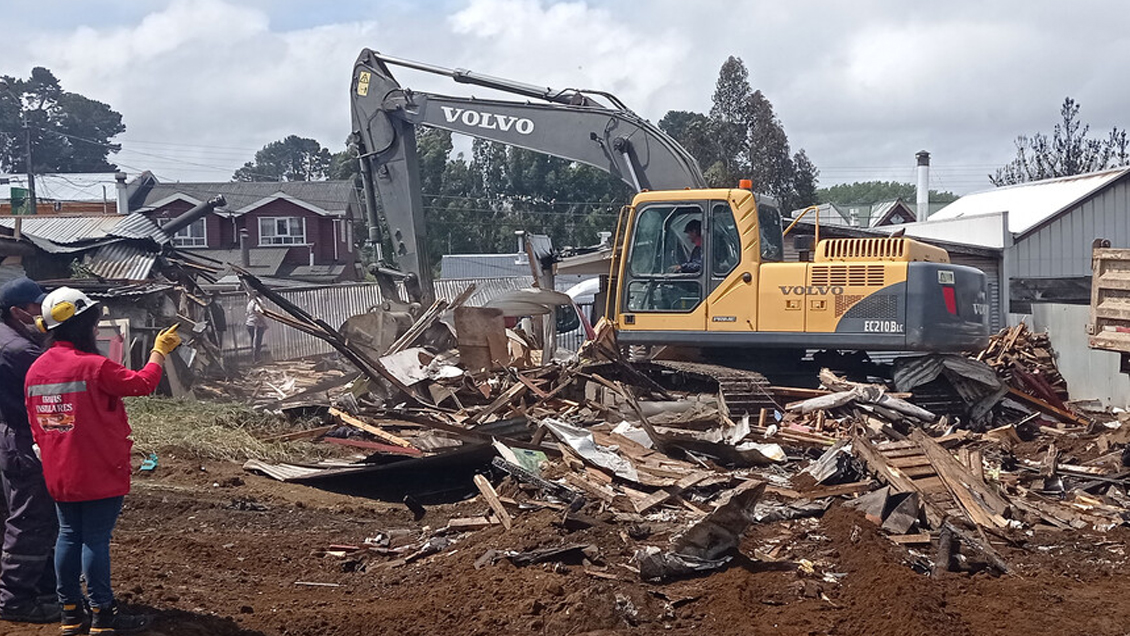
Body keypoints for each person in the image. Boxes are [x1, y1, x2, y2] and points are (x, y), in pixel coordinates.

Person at [24, 287, 181, 635]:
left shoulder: (36, 370)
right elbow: (142, 384)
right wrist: (158, 352)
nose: (97, 329)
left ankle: (69, 613)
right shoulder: (92, 366)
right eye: (94, 323)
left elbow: (37, 422)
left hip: (59, 470)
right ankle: (102, 615)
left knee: (67, 536)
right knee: (95, 540)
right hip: (97, 470)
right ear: (81, 325)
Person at [0, 278, 58, 624]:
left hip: (10, 436)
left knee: (20, 516)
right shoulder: (20, 351)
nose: (43, 313)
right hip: (25, 441)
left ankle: (43, 590)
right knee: (31, 521)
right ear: (17, 311)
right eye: (37, 307)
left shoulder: (11, 339)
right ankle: (17, 600)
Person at [244, 292, 268, 363]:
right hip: (256, 324)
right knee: (257, 342)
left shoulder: (251, 302)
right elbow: (259, 313)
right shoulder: (258, 302)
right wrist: (265, 323)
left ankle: (255, 358)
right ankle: (256, 359)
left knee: (254, 342)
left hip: (250, 324)